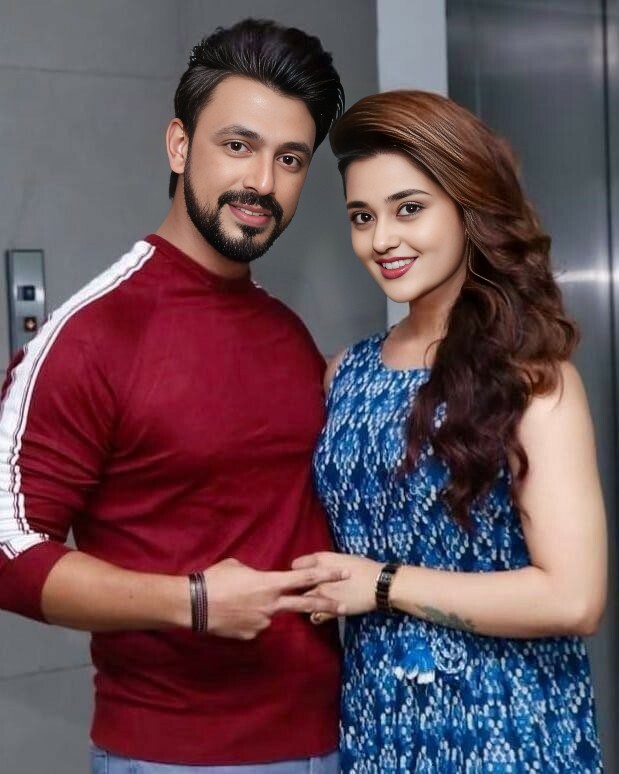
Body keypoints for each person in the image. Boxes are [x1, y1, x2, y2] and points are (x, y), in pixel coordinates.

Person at [0, 19, 347, 773]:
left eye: (290, 158)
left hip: (332, 741)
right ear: (180, 146)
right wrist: (190, 601)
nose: (263, 182)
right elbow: (7, 549)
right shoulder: (93, 334)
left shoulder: (287, 333)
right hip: (173, 756)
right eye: (238, 145)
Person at [295, 90, 607, 772]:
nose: (381, 239)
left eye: (408, 208)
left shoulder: (532, 379)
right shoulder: (345, 373)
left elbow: (573, 597)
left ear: (467, 206)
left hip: (509, 730)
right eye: (361, 216)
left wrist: (382, 584)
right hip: (377, 728)